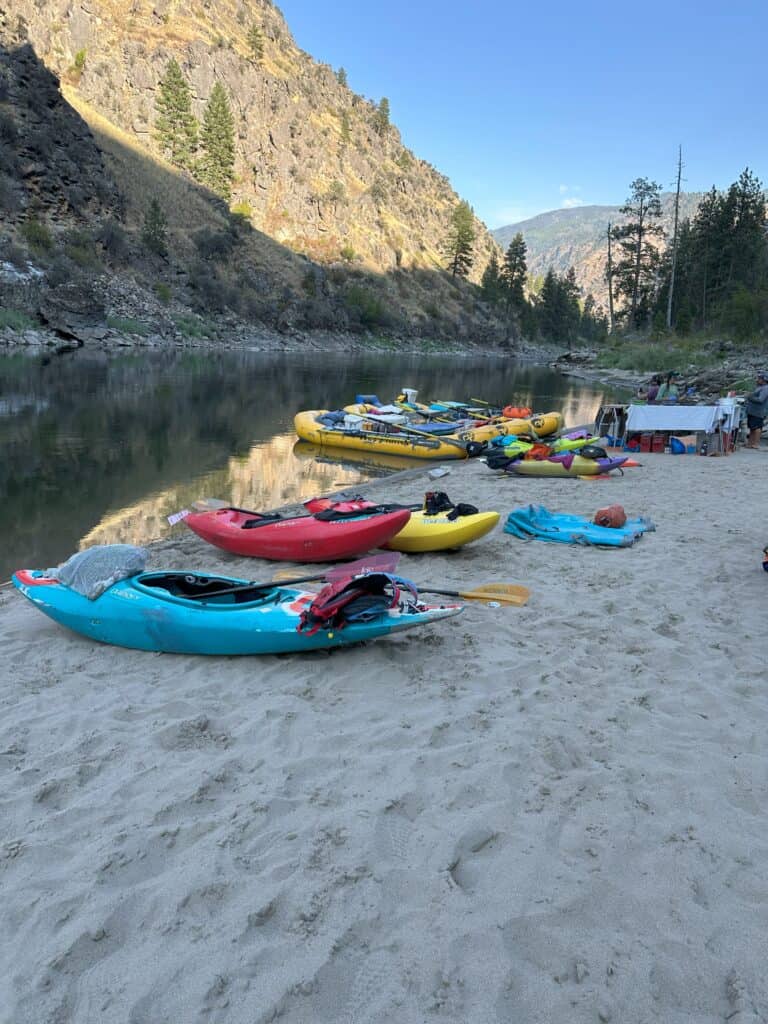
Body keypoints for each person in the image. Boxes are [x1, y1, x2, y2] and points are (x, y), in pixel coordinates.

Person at [744, 372, 768, 449]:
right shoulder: (759, 387)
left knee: (757, 427)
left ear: (764, 379)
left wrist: (749, 397)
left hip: (758, 411)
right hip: (753, 410)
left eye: (759, 378)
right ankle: (750, 443)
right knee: (752, 427)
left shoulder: (766, 388)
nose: (757, 380)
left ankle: (756, 444)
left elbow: (761, 400)